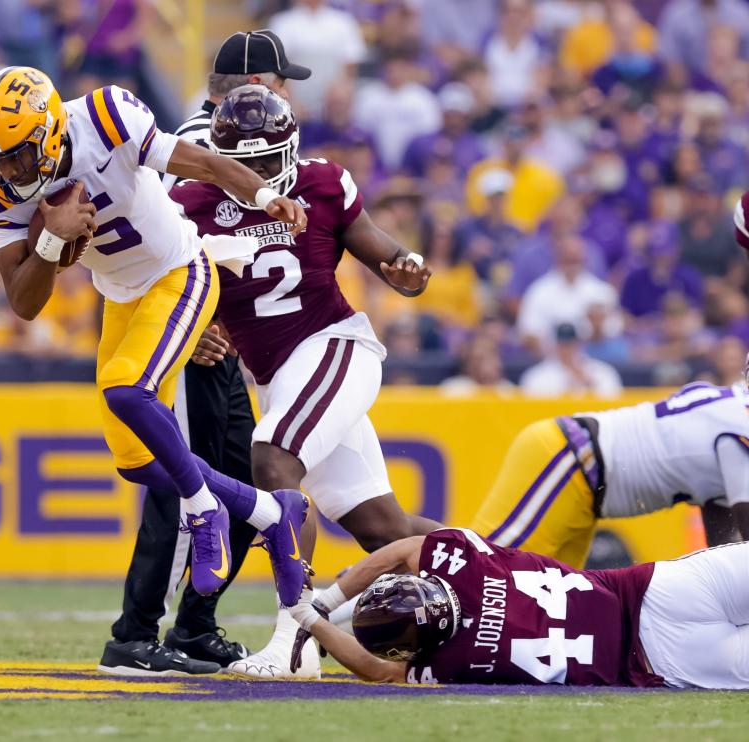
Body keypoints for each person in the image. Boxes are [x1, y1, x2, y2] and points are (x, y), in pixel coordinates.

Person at [0, 67, 311, 644]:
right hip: (121, 294)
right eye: (1, 161)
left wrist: (267, 195)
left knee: (129, 390)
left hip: (180, 270)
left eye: (20, 157)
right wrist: (51, 239)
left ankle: (205, 513)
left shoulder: (106, 118)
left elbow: (203, 164)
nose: (11, 172)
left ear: (51, 132)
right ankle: (272, 514)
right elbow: (24, 302)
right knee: (137, 459)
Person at [171, 85, 435, 679]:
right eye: (246, 161)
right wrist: (197, 332)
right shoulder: (189, 202)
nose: (259, 172)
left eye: (269, 160)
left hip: (334, 347)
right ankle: (511, 578)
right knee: (383, 530)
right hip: (281, 376)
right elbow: (169, 288)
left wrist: (409, 273)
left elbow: (392, 260)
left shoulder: (322, 183)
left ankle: (295, 640)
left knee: (273, 457)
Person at [102, 30, 312, 677]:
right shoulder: (201, 141)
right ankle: (135, 633)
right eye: (279, 81)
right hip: (182, 331)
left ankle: (195, 623)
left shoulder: (233, 135)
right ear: (255, 83)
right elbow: (154, 244)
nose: (284, 94)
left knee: (242, 481)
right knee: (181, 480)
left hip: (205, 330)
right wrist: (190, 323)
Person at [289, 527, 749, 689]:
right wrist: (326, 603)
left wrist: (311, 618)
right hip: (657, 598)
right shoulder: (463, 565)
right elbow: (405, 548)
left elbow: (377, 669)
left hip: (654, 646)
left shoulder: (448, 661)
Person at [471, 364, 749, 568]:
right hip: (571, 460)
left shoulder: (732, 410)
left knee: (541, 602)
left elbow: (725, 550)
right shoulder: (740, 422)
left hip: (583, 486)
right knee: (481, 572)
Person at [520, 322, 623, 397]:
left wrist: (587, 383)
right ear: (554, 345)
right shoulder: (537, 375)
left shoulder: (601, 371)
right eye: (562, 345)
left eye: (570, 344)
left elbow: (612, 398)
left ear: (579, 344)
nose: (566, 350)